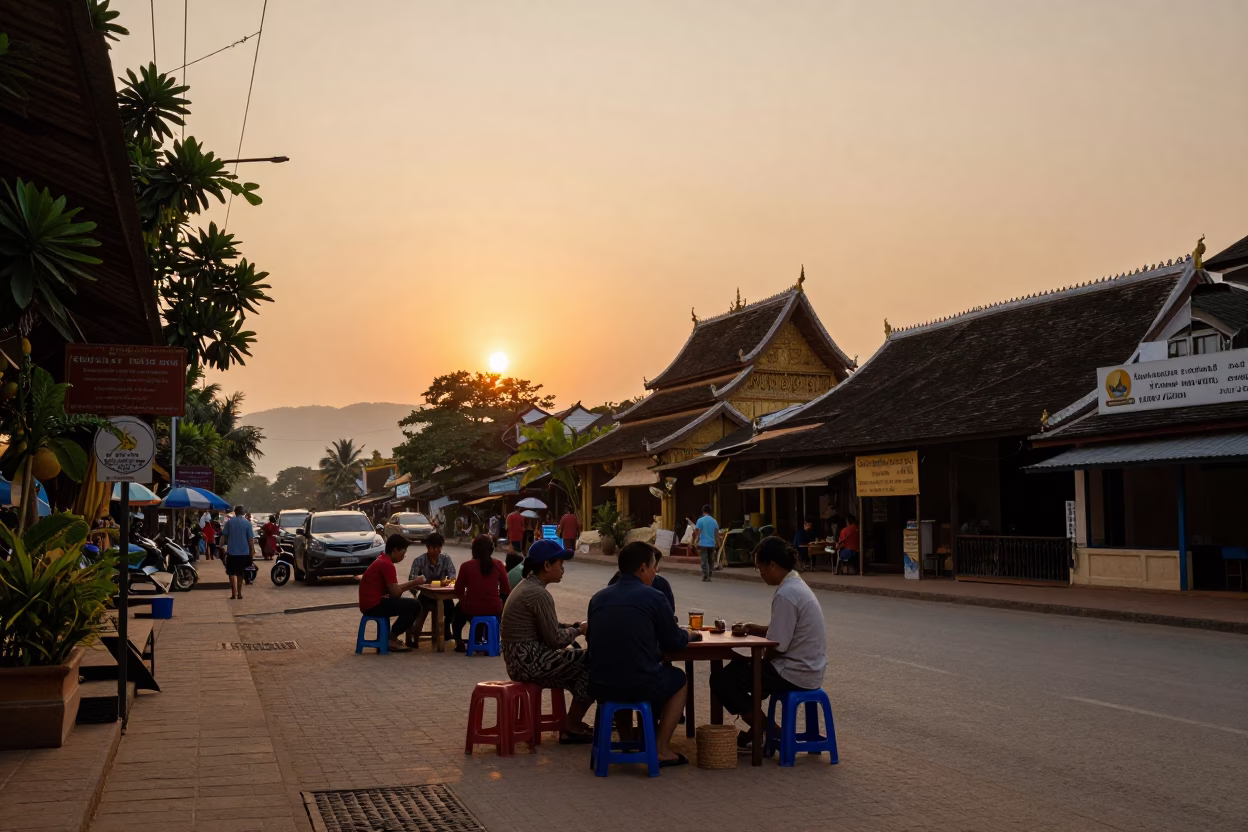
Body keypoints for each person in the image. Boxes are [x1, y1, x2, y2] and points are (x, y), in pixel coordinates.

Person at [709, 536, 826, 753]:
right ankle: (759, 729)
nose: (760, 573)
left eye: (759, 568)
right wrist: (753, 628)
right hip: (810, 667)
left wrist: (755, 659)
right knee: (740, 673)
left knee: (723, 680)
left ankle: (771, 732)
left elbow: (777, 646)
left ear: (772, 565)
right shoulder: (796, 585)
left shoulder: (786, 594)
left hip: (793, 671)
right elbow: (782, 632)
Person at [588, 541, 698, 767]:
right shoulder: (654, 596)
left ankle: (628, 740)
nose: (654, 572)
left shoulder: (597, 598)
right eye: (653, 567)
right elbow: (674, 641)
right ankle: (660, 749)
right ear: (642, 569)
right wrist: (690, 636)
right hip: (640, 683)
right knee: (679, 680)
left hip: (599, 685)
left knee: (618, 672)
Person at [500, 539, 593, 743]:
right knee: (592, 663)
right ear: (547, 565)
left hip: (518, 659)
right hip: (530, 661)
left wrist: (573, 625)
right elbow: (554, 640)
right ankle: (572, 725)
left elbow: (550, 626)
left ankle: (572, 722)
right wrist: (578, 629)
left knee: (581, 666)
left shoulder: (527, 586)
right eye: (560, 564)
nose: (562, 569)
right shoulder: (538, 594)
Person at [359, 534, 425, 653]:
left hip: (370, 603)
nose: (403, 556)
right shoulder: (387, 564)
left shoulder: (382, 560)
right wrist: (414, 582)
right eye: (403, 553)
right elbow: (395, 593)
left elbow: (394, 590)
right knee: (415, 606)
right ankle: (392, 638)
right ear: (395, 550)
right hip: (374, 605)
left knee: (409, 603)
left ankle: (391, 637)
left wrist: (412, 583)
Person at [452, 535, 511, 653]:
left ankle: (458, 642)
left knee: (458, 612)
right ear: (491, 550)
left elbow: (458, 591)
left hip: (471, 608)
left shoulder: (466, 566)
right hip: (494, 608)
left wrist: (465, 599)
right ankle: (487, 641)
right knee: (490, 612)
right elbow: (506, 589)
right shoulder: (499, 565)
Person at [406, 532, 456, 646]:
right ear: (428, 547)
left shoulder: (445, 559)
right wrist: (429, 584)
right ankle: (415, 633)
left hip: (443, 595)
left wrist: (449, 581)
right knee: (420, 608)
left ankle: (446, 628)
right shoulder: (419, 561)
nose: (437, 550)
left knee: (450, 607)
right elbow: (412, 580)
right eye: (434, 548)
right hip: (425, 595)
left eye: (439, 547)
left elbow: (453, 576)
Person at [607, 545, 674, 612]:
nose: (656, 571)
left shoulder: (601, 597)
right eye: (654, 567)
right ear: (643, 568)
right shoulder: (657, 596)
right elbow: (669, 617)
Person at [220, 505, 256, 600]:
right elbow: (250, 539)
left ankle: (233, 594)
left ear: (235, 512)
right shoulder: (248, 523)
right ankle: (239, 594)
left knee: (231, 573)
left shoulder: (229, 522)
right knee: (240, 574)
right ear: (243, 513)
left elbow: (224, 536)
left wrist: (221, 547)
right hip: (244, 553)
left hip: (232, 552)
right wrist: (252, 550)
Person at [694, 505, 719, 582]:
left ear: (703, 511)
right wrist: (717, 542)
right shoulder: (714, 521)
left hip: (703, 543)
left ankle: (706, 576)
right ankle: (709, 575)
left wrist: (697, 539)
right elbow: (716, 533)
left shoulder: (700, 520)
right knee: (711, 560)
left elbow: (697, 530)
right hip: (712, 544)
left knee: (704, 561)